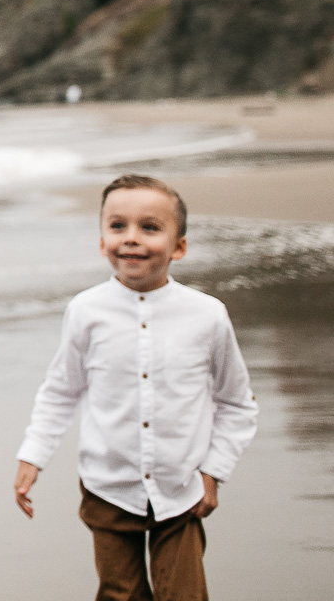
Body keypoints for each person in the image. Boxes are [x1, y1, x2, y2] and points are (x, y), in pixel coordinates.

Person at [13, 174, 259, 601]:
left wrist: (213, 472)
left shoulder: (207, 316)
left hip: (180, 486)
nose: (131, 239)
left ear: (179, 246)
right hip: (107, 484)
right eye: (117, 226)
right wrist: (33, 454)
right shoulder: (86, 311)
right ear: (101, 239)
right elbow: (61, 390)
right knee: (119, 594)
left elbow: (237, 403)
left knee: (183, 595)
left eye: (150, 227)